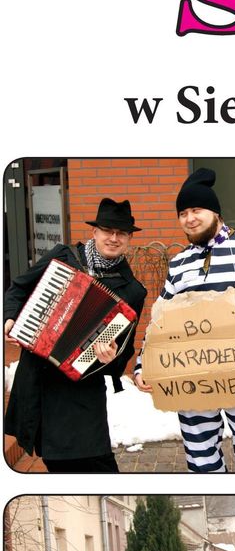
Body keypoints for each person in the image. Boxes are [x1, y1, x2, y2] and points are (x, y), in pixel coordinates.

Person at [134, 167, 235, 473]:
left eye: (196, 210)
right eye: (182, 213)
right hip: (191, 380)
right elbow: (161, 320)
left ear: (215, 212)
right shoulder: (179, 264)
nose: (189, 218)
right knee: (201, 458)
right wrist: (143, 364)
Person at [4, 198, 147, 472]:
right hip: (37, 380)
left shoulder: (132, 292)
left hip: (79, 391)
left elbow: (122, 357)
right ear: (95, 232)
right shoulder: (63, 257)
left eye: (121, 234)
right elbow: (18, 289)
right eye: (107, 230)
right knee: (54, 461)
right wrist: (10, 318)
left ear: (129, 239)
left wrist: (110, 357)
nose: (113, 238)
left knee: (96, 466)